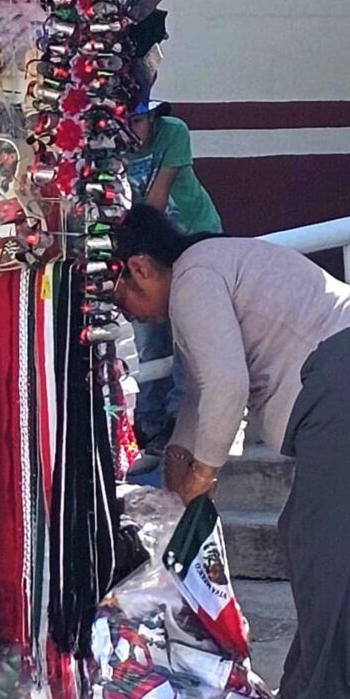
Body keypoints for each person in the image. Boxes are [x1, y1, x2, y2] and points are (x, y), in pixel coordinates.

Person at [112, 204, 350, 699]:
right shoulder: (204, 271)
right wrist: (179, 471)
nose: (137, 318)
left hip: (349, 385)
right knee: (318, 540)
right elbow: (205, 394)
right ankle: (312, 697)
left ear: (139, 267)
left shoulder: (195, 277)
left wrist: (203, 472)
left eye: (128, 303)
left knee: (316, 541)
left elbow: (226, 385)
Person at [125, 100, 222, 455]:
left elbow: (156, 200)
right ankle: (150, 423)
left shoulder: (173, 132)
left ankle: (181, 421)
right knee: (150, 338)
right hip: (145, 248)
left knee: (189, 333)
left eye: (136, 121)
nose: (130, 131)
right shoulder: (111, 145)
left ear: (152, 118)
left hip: (191, 238)